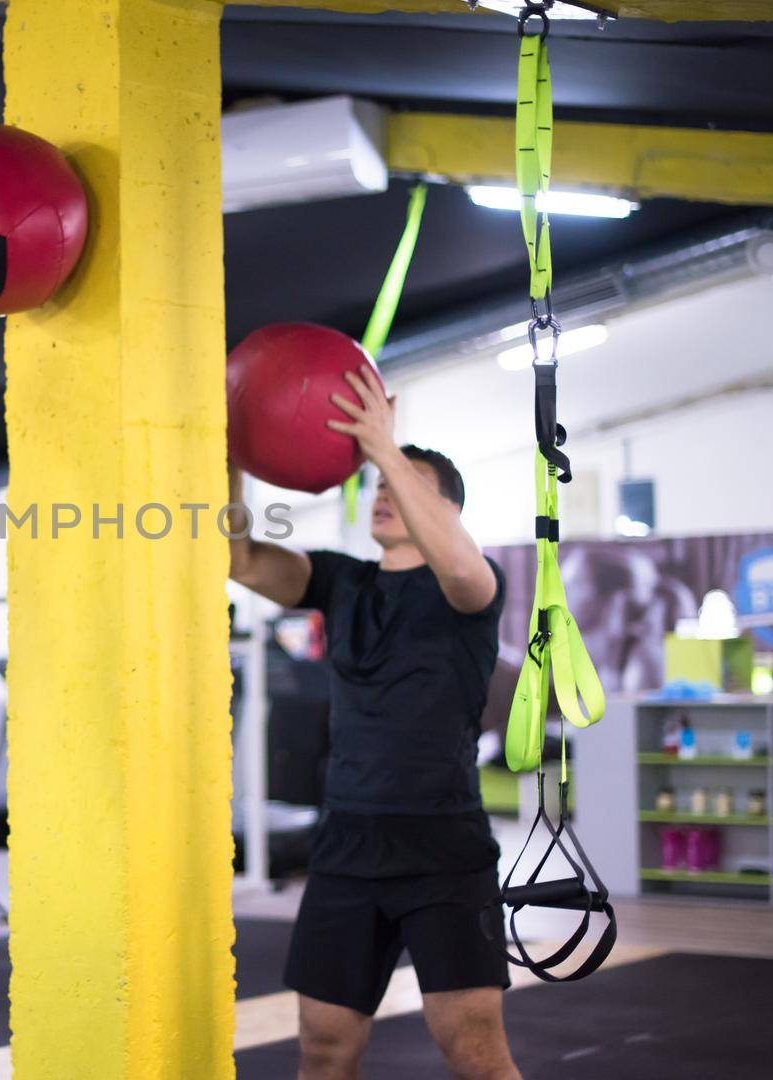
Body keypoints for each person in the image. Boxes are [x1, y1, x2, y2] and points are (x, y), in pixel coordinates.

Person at [228, 366, 519, 1080]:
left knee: (475, 1053)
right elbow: (236, 556)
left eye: (402, 486)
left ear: (443, 508)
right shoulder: (342, 581)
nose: (384, 494)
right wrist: (231, 457)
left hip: (442, 846)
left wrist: (386, 447)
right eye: (380, 485)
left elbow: (461, 566)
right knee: (323, 1048)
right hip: (347, 844)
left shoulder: (473, 588)